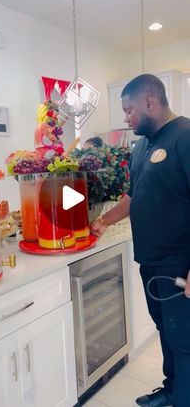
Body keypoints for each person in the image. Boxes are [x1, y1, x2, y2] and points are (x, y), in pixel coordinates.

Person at [91, 74, 190, 407]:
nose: (126, 117)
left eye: (129, 109)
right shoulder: (142, 146)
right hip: (152, 262)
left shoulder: (186, 136)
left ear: (150, 101)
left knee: (184, 338)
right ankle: (174, 391)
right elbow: (134, 197)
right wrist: (103, 221)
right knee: (166, 330)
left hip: (180, 262)